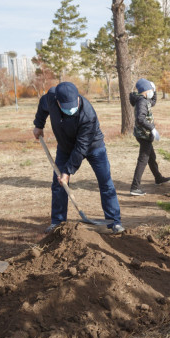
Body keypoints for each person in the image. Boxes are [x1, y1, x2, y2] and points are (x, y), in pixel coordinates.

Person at [33, 81, 123, 233]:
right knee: (58, 185)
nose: (71, 110)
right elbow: (42, 106)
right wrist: (38, 125)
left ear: (78, 98)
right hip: (65, 147)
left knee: (105, 182)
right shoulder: (50, 98)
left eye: (73, 105)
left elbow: (81, 148)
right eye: (66, 107)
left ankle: (114, 221)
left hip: (93, 147)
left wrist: (67, 171)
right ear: (58, 102)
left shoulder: (88, 114)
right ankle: (58, 222)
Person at [128, 78, 170, 196]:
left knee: (151, 157)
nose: (152, 91)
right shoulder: (142, 102)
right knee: (143, 160)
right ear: (146, 90)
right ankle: (135, 187)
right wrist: (152, 128)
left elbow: (153, 102)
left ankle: (158, 178)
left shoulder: (143, 100)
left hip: (143, 134)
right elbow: (140, 119)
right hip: (144, 135)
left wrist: (155, 91)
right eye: (151, 90)